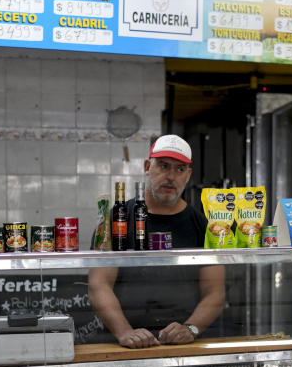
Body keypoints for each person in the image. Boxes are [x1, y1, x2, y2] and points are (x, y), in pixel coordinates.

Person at [88, 134, 225, 348]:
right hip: (122, 347)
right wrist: (125, 332)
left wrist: (191, 328)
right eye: (163, 166)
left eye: (180, 169)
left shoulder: (202, 224)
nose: (171, 176)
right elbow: (98, 284)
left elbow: (215, 292)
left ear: (188, 176)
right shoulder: (116, 219)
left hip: (182, 346)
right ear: (146, 166)